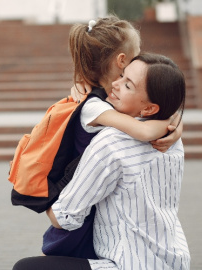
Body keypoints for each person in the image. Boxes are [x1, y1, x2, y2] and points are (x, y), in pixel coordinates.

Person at [12, 53, 190, 270]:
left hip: (127, 264)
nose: (114, 84)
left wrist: (40, 195)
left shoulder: (112, 142)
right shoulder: (170, 137)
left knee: (26, 268)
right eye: (122, 75)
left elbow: (64, 217)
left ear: (149, 109)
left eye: (127, 85)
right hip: (174, 260)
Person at [41, 15, 182, 259]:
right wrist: (172, 126)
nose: (141, 56)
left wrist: (175, 124)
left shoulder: (107, 100)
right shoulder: (94, 105)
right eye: (137, 53)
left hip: (95, 200)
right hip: (82, 203)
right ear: (122, 60)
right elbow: (144, 130)